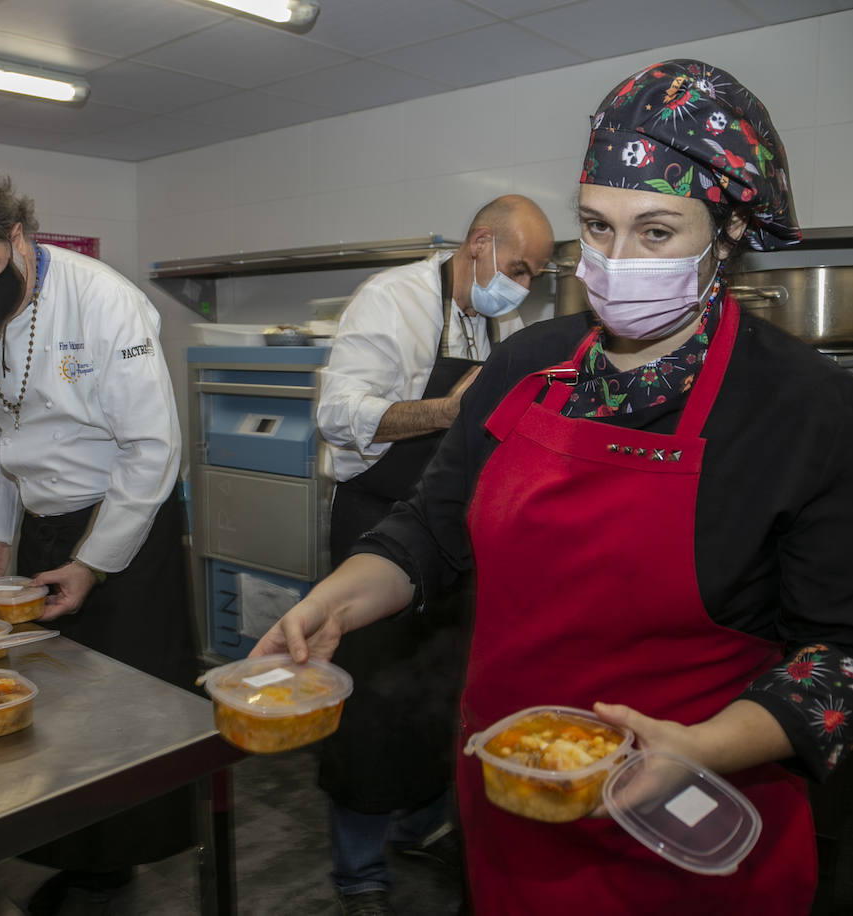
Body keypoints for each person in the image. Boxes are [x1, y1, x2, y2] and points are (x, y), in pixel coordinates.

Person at [256, 60, 853, 914]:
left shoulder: (807, 410)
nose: (614, 261)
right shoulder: (524, 365)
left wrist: (708, 747)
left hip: (686, 827)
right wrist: (336, 603)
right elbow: (429, 529)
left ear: (727, 233)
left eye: (655, 232)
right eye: (597, 227)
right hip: (510, 804)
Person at [0, 167, 197, 914]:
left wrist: (95, 561)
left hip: (126, 520)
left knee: (131, 704)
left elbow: (152, 451)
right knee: (57, 698)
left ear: (18, 236)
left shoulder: (104, 302)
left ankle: (121, 863)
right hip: (41, 525)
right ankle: (79, 853)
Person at [316, 195, 552, 915]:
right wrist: (452, 409)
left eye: (535, 274)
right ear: (478, 243)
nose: (523, 286)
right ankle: (358, 869)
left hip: (462, 529)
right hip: (381, 522)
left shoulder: (503, 319)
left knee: (446, 695)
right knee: (373, 705)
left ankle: (421, 827)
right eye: (517, 267)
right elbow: (339, 414)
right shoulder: (392, 300)